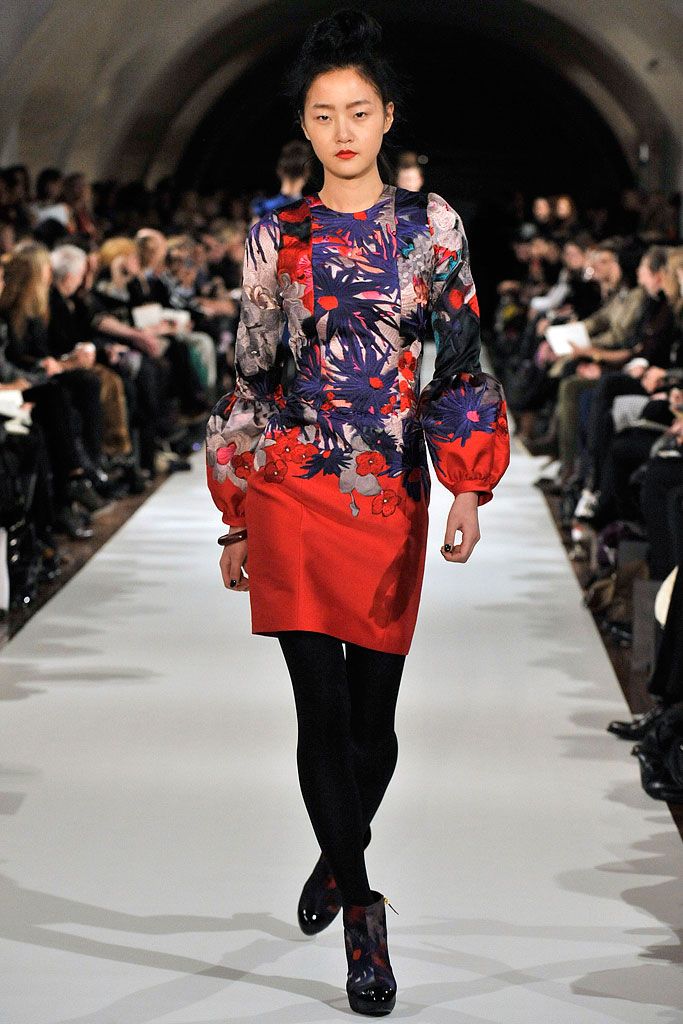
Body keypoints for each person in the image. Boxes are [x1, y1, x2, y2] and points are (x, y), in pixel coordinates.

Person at [205, 8, 510, 1016]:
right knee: (320, 711)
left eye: (359, 111)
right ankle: (364, 913)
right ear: (304, 124)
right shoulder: (276, 234)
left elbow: (456, 361)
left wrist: (468, 483)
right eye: (324, 114)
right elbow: (252, 373)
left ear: (386, 117)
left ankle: (337, 854)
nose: (342, 130)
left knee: (373, 724)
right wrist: (236, 511)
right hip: (292, 482)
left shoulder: (433, 227)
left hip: (387, 490)